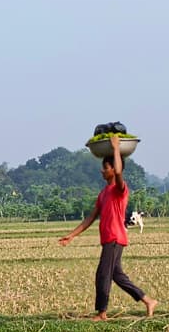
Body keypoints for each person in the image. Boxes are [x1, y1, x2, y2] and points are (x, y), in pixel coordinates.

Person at [59, 134, 157, 320]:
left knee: (102, 274)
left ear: (112, 169)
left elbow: (120, 173)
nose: (102, 171)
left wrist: (115, 149)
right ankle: (148, 300)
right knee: (117, 276)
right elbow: (90, 217)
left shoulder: (120, 189)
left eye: (105, 168)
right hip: (108, 240)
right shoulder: (103, 194)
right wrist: (71, 235)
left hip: (115, 238)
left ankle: (102, 312)